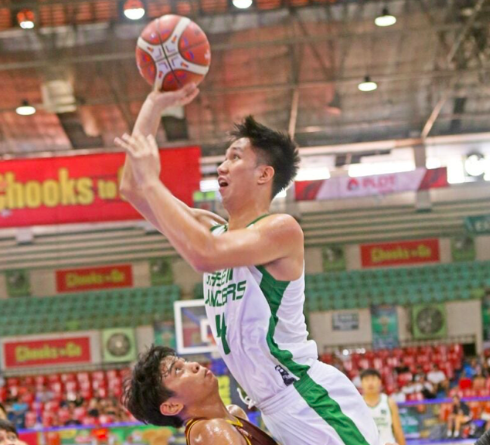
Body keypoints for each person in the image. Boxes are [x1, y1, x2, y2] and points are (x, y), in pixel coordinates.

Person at [117, 83, 380, 445]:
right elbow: (133, 188)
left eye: (235, 157)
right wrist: (154, 103)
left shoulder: (279, 230)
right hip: (272, 409)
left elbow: (204, 255)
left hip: (310, 400)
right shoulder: (212, 229)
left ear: (264, 174)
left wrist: (152, 180)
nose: (222, 166)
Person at [123, 345, 277, 445]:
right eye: (177, 370)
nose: (194, 365)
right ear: (171, 406)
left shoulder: (233, 414)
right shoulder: (212, 431)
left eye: (184, 362)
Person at [360, 370, 406, 445]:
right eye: (367, 380)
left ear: (379, 382)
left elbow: (398, 430)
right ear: (361, 383)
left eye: (373, 379)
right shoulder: (358, 403)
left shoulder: (389, 402)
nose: (370, 383)